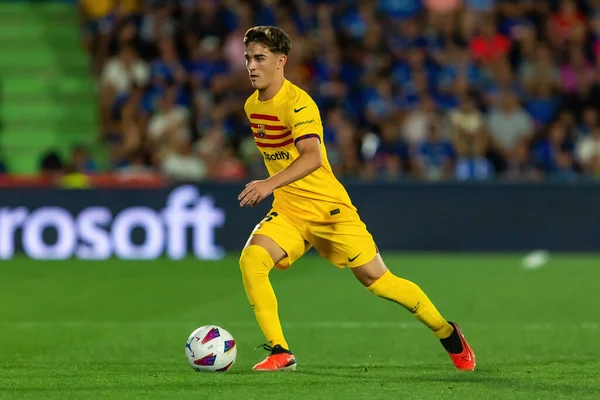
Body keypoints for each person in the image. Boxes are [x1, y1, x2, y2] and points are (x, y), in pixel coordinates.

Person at [238, 26, 476, 372]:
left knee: (380, 283)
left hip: (329, 210)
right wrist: (277, 190)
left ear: (281, 61)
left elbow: (312, 157)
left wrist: (268, 184)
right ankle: (280, 351)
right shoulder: (251, 105)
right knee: (252, 262)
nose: (252, 65)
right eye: (248, 58)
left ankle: (447, 332)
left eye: (260, 58)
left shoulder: (299, 103)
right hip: (290, 211)